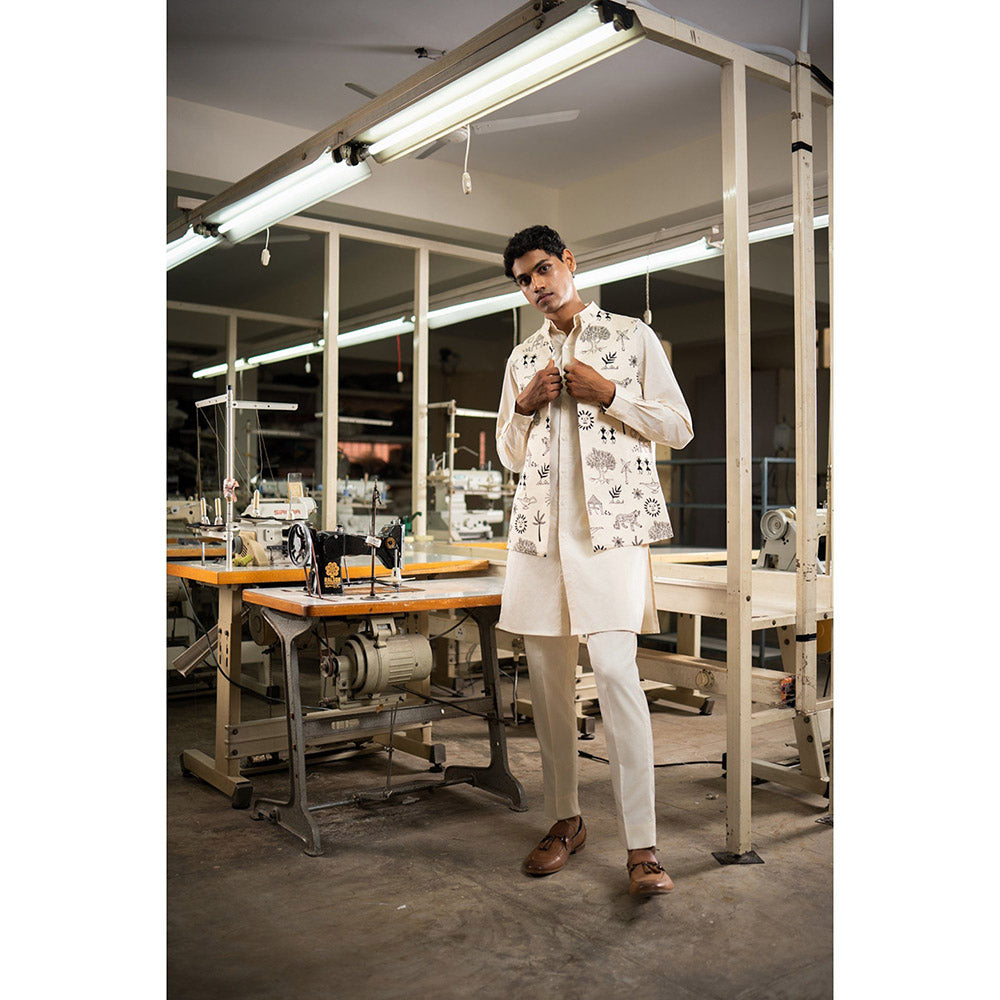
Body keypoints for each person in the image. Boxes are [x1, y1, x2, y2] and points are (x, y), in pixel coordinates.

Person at [495, 225, 693, 897]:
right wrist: (525, 407)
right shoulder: (522, 358)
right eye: (524, 280)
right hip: (539, 539)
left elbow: (678, 427)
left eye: (542, 270)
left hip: (610, 534)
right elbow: (509, 454)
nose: (536, 286)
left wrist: (610, 394)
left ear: (568, 262)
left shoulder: (631, 338)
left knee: (615, 674)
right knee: (548, 686)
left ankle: (643, 846)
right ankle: (565, 820)